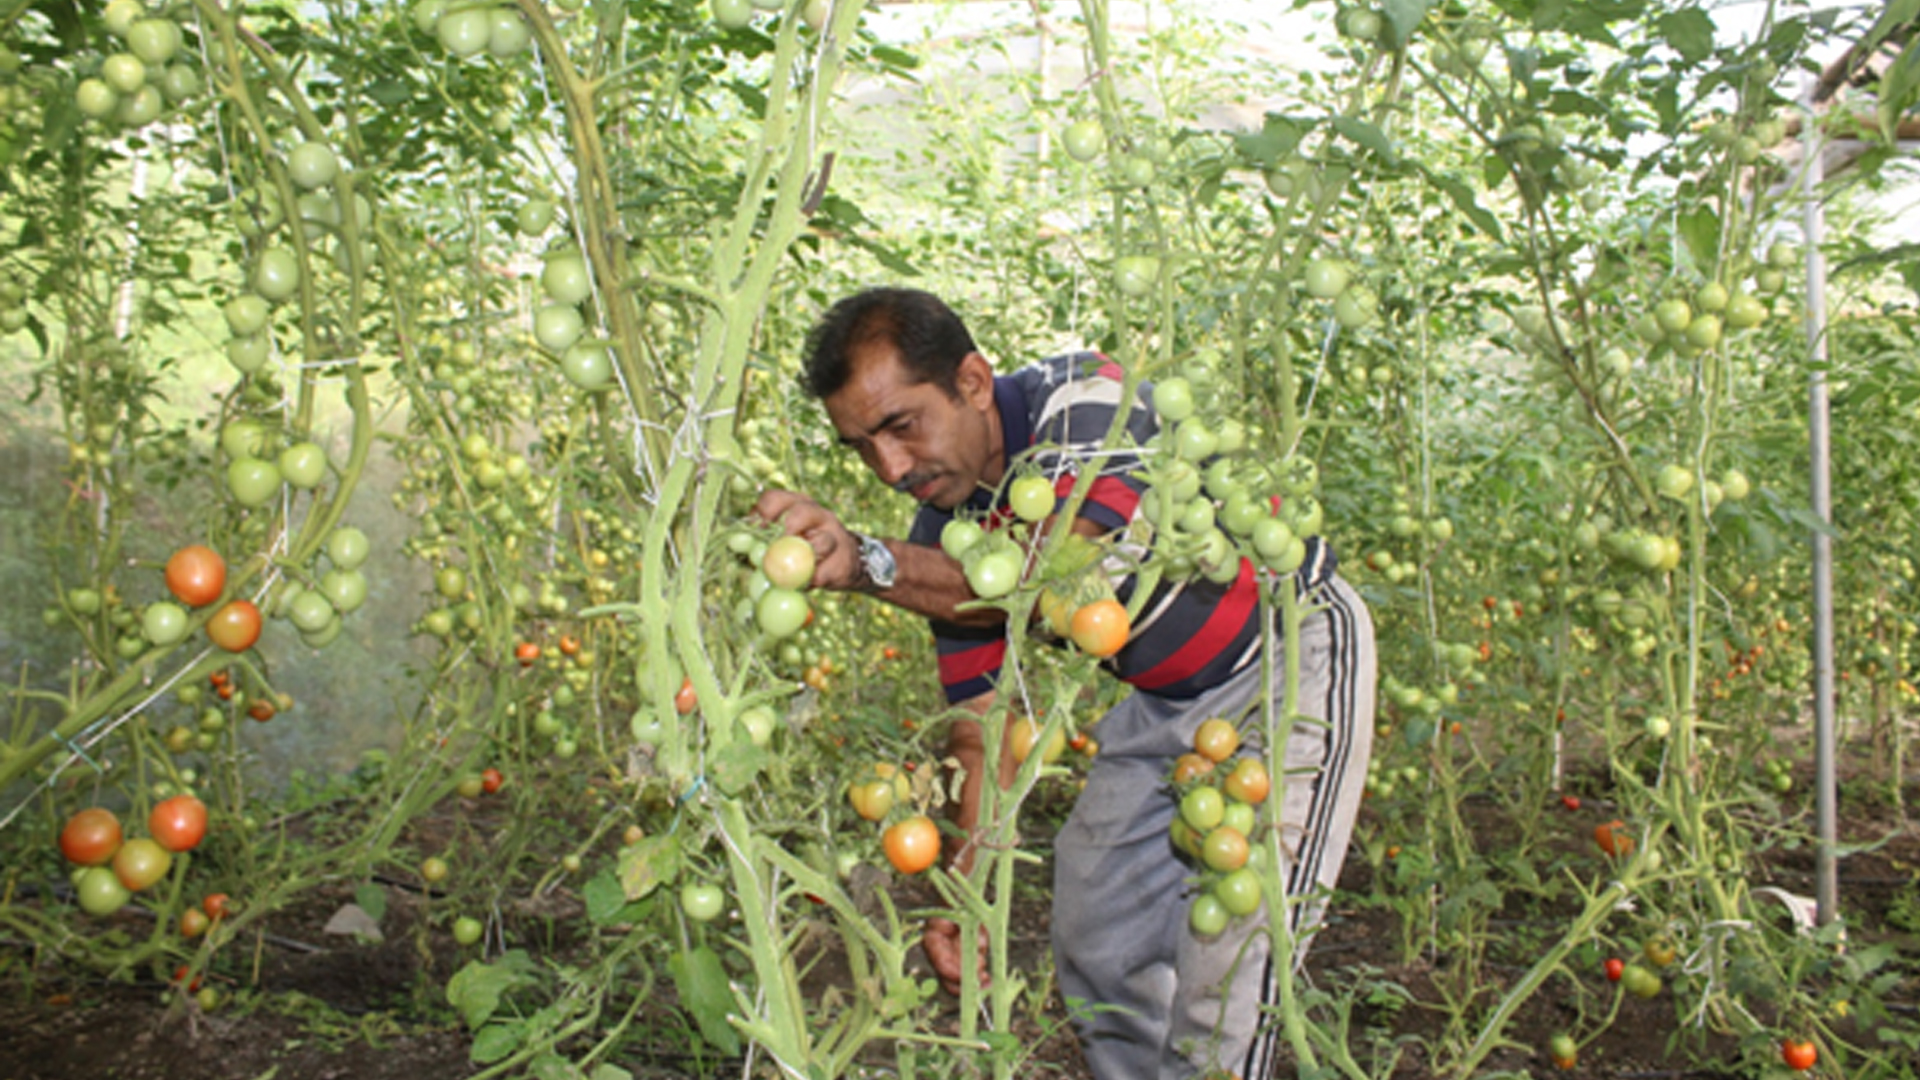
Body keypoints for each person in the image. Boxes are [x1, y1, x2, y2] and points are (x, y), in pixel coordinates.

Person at [755, 286, 1376, 1080]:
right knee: (1096, 936)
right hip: (1166, 702)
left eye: (900, 427)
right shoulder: (942, 540)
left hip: (1293, 658)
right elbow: (984, 727)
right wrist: (965, 890)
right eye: (862, 449)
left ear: (973, 381)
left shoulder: (1085, 397)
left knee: (1235, 965)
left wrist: (867, 564)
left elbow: (1044, 573)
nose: (890, 468)